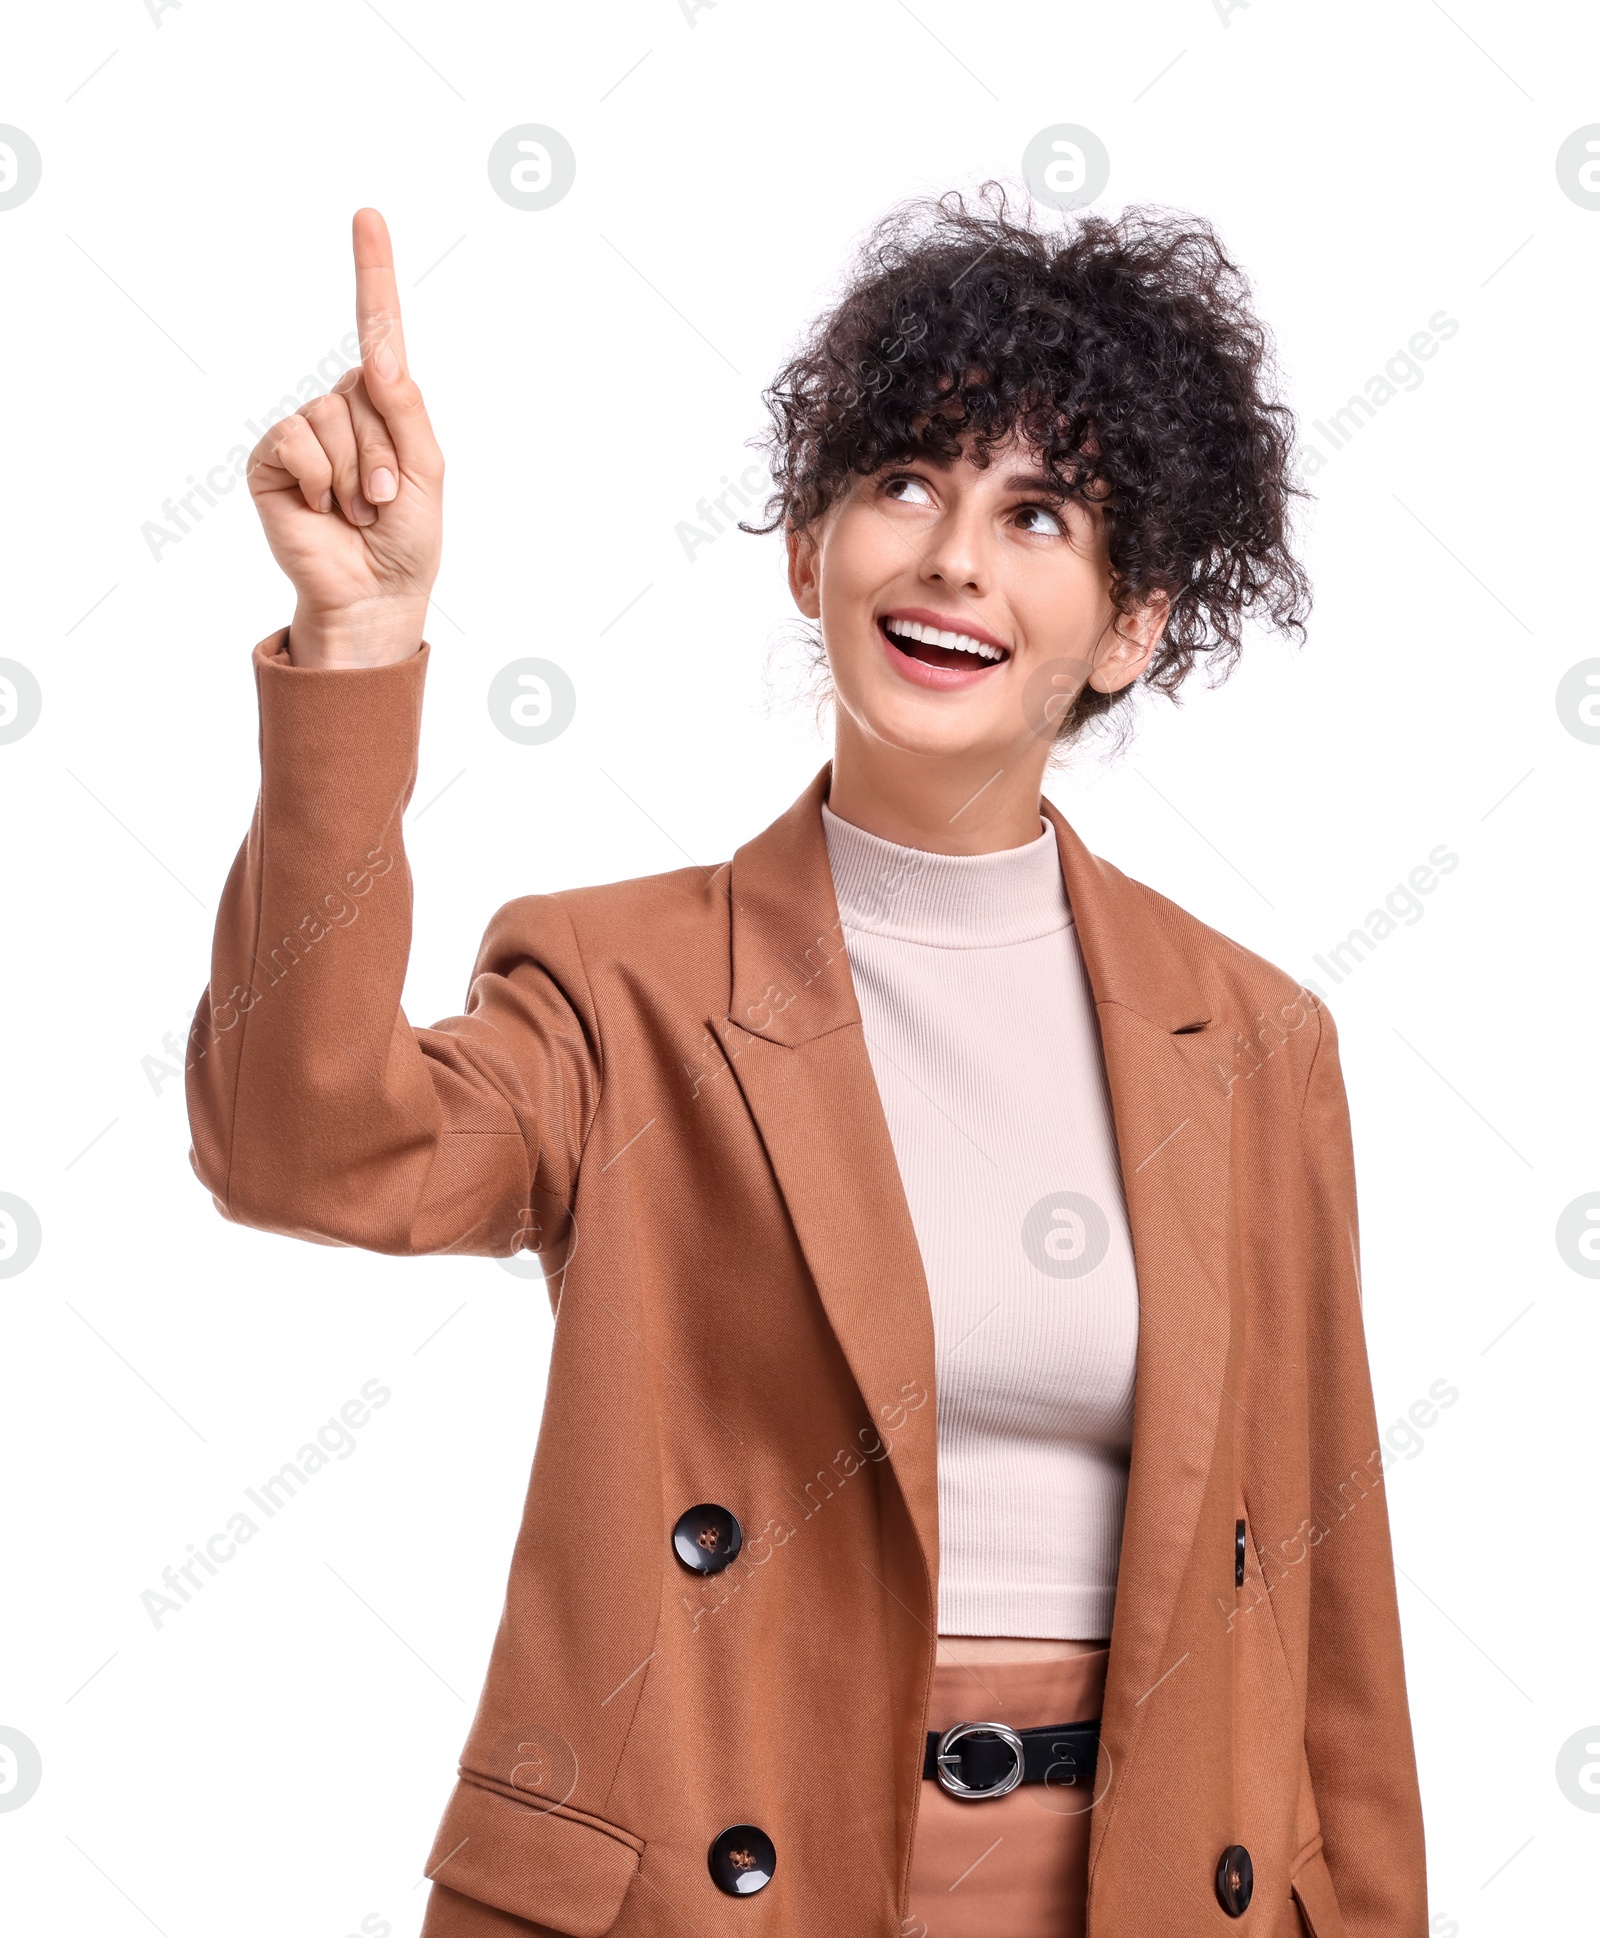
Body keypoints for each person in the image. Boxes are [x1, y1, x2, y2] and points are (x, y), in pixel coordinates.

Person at [186, 191, 1427, 1937]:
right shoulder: (618, 985)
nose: (953, 560)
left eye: (1039, 514)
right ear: (807, 550)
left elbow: (1328, 1594)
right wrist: (360, 644)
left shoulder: (1254, 1035)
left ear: (1131, 625)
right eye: (904, 483)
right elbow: (299, 1148)